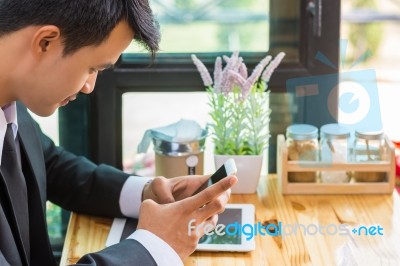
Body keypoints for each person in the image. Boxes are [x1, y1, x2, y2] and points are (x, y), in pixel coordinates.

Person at [0, 0, 237, 265]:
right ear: (45, 42)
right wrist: (154, 248)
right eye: (93, 68)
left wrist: (146, 193)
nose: (90, 86)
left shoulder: (9, 102)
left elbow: (49, 165)